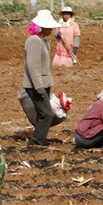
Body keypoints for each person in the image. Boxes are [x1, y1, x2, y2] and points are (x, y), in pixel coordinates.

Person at [23, 9, 59, 146]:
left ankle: (40, 140)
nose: (51, 29)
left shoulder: (42, 40)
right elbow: (33, 66)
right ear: (42, 27)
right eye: (49, 27)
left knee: (42, 113)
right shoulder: (34, 41)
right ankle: (36, 142)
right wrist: (39, 87)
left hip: (42, 83)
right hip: (36, 84)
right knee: (47, 114)